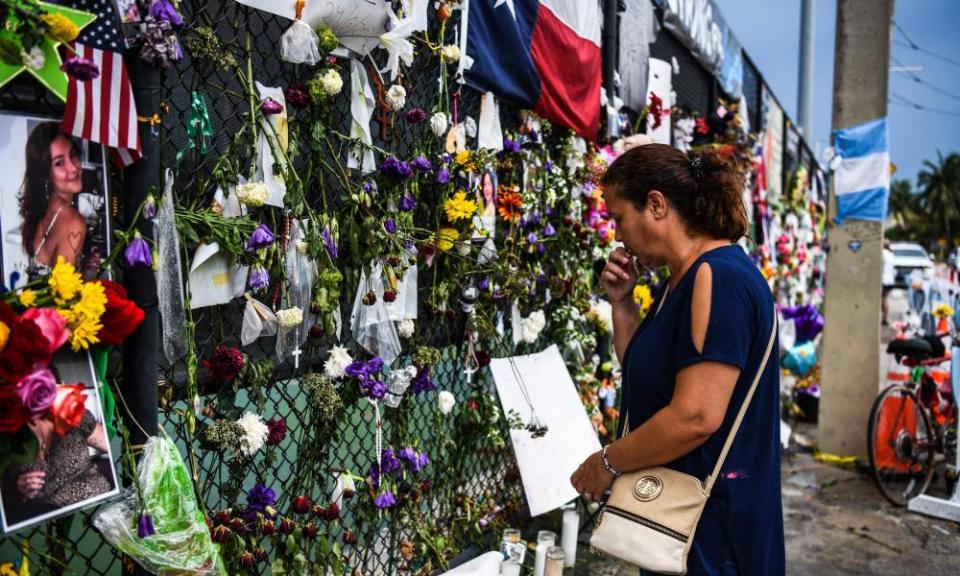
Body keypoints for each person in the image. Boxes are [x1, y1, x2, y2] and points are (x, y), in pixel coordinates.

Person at [570, 144, 783, 575]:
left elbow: (695, 416)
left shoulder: (717, 278)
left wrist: (608, 461)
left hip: (714, 531)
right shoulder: (682, 279)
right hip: (683, 524)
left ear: (655, 205)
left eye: (619, 218)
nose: (617, 234)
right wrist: (623, 304)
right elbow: (648, 377)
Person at [4, 403, 111, 526]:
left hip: (99, 504)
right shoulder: (7, 437)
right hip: (44, 521)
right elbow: (7, 502)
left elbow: (108, 445)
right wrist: (18, 489)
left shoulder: (68, 410)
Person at [18, 122, 87, 278]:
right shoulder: (74, 222)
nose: (74, 168)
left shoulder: (44, 210)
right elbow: (62, 295)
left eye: (74, 154)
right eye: (59, 163)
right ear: (45, 173)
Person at [882, 241, 896, 326]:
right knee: (885, 299)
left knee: (882, 300)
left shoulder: (883, 253)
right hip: (890, 280)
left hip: (883, 279)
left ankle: (884, 318)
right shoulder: (891, 255)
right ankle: (885, 317)